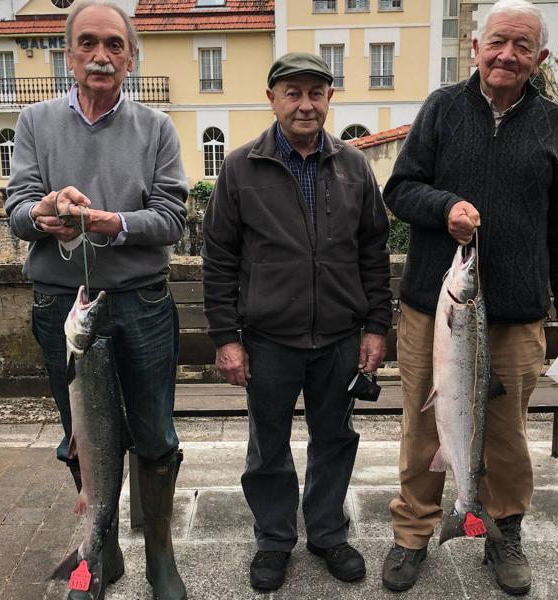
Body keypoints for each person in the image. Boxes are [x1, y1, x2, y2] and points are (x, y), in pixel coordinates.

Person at [381, 0, 558, 595]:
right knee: (426, 429)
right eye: (498, 42)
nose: (507, 55)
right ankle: (413, 533)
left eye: (522, 46)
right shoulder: (443, 108)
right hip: (437, 311)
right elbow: (400, 189)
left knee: (506, 433)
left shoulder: (554, 123)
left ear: (539, 58)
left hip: (519, 314)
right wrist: (444, 207)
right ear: (475, 47)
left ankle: (503, 529)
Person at [5, 2, 188, 599]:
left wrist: (115, 226)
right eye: (87, 44)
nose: (100, 56)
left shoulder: (156, 128)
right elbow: (16, 210)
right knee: (82, 433)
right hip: (63, 306)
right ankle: (101, 549)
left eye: (114, 45)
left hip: (141, 302)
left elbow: (172, 218)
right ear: (69, 54)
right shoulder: (33, 122)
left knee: (156, 435)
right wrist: (44, 213)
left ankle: (160, 554)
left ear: (131, 57)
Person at [202, 52, 392, 591]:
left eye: (316, 92)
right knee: (269, 444)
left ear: (330, 98)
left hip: (338, 336)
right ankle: (274, 539)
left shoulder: (354, 166)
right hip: (268, 339)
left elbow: (373, 252)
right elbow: (219, 258)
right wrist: (226, 338)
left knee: (335, 438)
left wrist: (376, 325)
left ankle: (329, 532)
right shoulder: (240, 167)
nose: (305, 103)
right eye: (293, 92)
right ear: (272, 99)